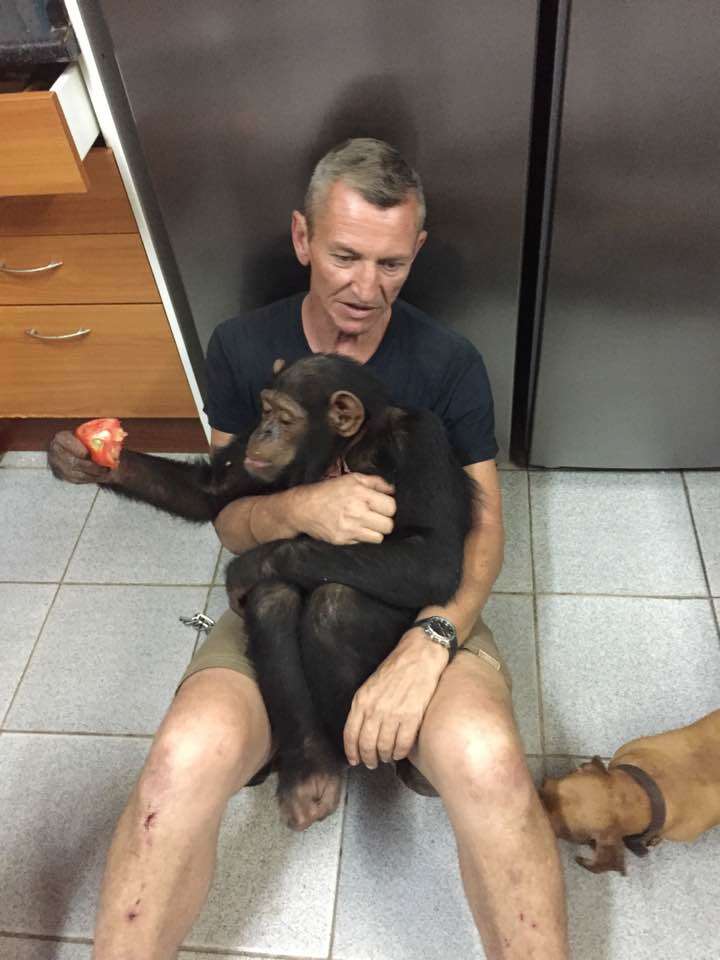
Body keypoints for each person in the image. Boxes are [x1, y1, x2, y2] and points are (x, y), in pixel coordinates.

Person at [49, 138, 568, 959]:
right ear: (302, 239)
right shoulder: (245, 348)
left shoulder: (444, 370)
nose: (367, 287)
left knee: (493, 763)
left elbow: (478, 537)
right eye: (345, 256)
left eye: (392, 264)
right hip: (289, 607)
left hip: (409, 598)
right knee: (179, 764)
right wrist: (114, 466)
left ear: (417, 253)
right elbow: (224, 504)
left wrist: (431, 643)